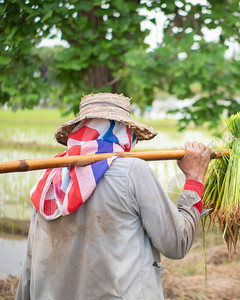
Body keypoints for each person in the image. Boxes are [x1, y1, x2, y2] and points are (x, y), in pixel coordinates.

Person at [15, 93, 213, 300]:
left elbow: (29, 271)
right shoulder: (133, 171)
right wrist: (195, 178)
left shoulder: (49, 178)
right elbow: (177, 244)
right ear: (123, 131)